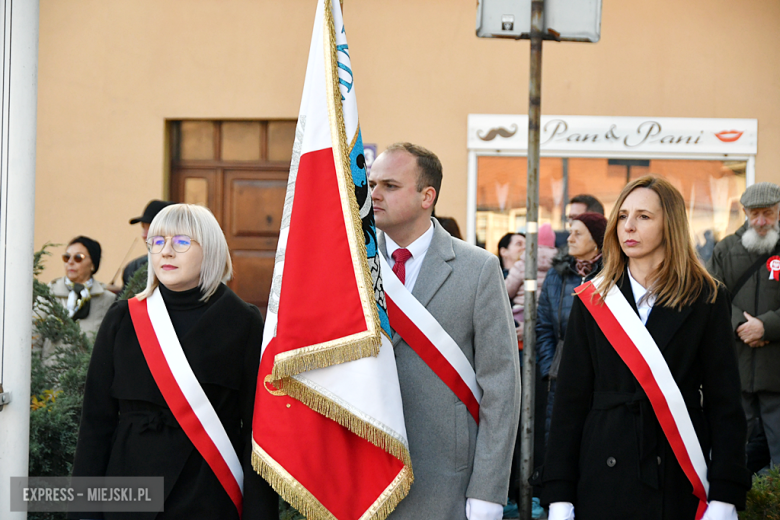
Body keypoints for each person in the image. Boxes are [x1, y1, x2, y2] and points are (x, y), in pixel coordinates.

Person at [542, 176, 750, 520]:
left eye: (644, 217)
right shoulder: (592, 299)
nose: (629, 227)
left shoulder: (707, 298)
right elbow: (569, 403)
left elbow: (725, 401)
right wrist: (559, 494)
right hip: (602, 475)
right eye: (622, 216)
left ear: (671, 224)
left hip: (676, 471)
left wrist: (726, 495)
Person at [70, 204, 277, 520]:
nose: (165, 252)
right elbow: (95, 425)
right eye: (157, 242)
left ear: (209, 250)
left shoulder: (241, 321)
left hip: (207, 491)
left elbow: (257, 430)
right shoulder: (122, 319)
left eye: (181, 242)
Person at [369, 142, 520, 520]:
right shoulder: (353, 265)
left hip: (445, 482)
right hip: (365, 474)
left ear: (427, 196)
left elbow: (501, 387)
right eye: (372, 184)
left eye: (389, 185)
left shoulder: (478, 269)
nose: (373, 194)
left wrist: (488, 491)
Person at [706, 182, 780, 469]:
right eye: (755, 214)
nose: (761, 221)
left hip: (775, 371)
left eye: (769, 214)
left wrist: (767, 327)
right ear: (745, 212)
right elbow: (710, 296)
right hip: (736, 368)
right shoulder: (725, 249)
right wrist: (741, 325)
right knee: (732, 448)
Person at [536, 212, 606, 442]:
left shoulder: (611, 276)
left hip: (601, 378)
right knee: (559, 439)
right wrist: (550, 367)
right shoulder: (556, 275)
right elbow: (543, 325)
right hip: (561, 375)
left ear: (596, 241)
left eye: (578, 233)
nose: (569, 239)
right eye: (570, 233)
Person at [37, 236, 117, 361]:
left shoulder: (107, 299)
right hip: (50, 377)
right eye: (67, 257)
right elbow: (33, 337)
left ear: (93, 265)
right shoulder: (49, 294)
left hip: (87, 377)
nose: (70, 262)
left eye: (78, 258)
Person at [506, 223, 557, 337]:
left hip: (521, 313)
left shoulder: (523, 263)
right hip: (544, 317)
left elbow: (507, 291)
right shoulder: (557, 266)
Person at [122, 199, 175, 287]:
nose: (144, 235)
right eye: (143, 228)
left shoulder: (189, 266)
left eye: (151, 229)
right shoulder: (134, 268)